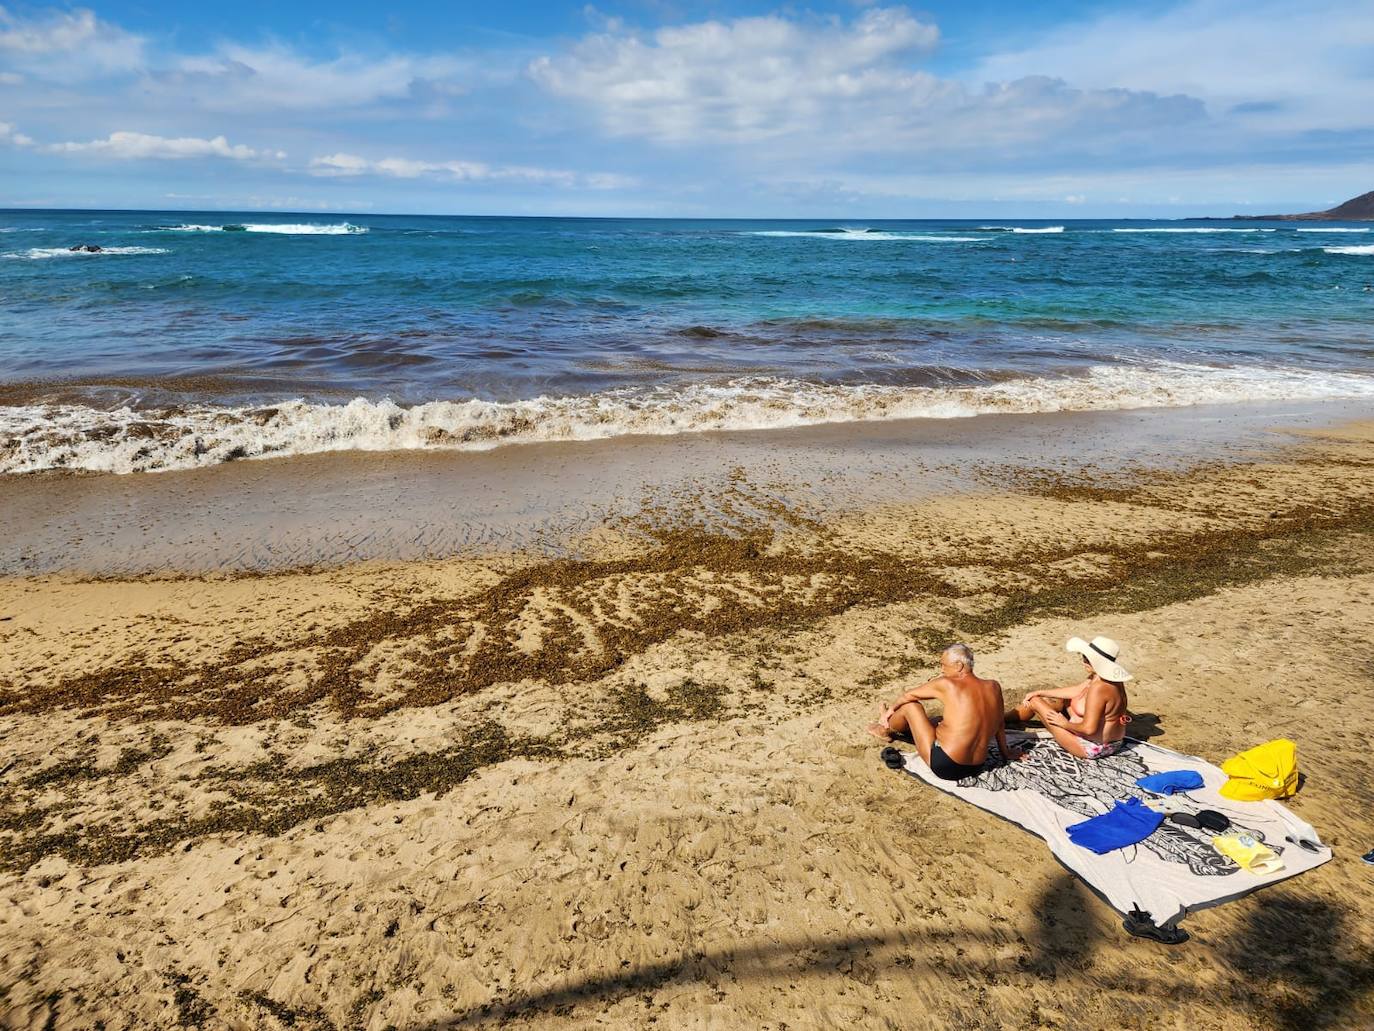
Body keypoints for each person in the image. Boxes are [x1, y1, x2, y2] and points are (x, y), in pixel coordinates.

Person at [866, 643, 1022, 779]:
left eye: (944, 665)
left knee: (911, 707)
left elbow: (908, 696)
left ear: (959, 666)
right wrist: (1005, 753)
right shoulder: (994, 686)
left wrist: (889, 712)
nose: (941, 669)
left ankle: (885, 730)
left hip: (945, 765)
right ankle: (898, 727)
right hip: (977, 765)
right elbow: (999, 722)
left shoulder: (947, 684)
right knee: (937, 721)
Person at [1009, 635, 1132, 760]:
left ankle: (1000, 720)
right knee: (1057, 700)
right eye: (1084, 657)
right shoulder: (1107, 679)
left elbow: (1089, 729)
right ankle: (1003, 719)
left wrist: (1064, 724)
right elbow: (1076, 690)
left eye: (1087, 659)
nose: (1083, 661)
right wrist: (1040, 692)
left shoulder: (1099, 688)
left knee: (1035, 702)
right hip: (1115, 742)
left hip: (1093, 747)